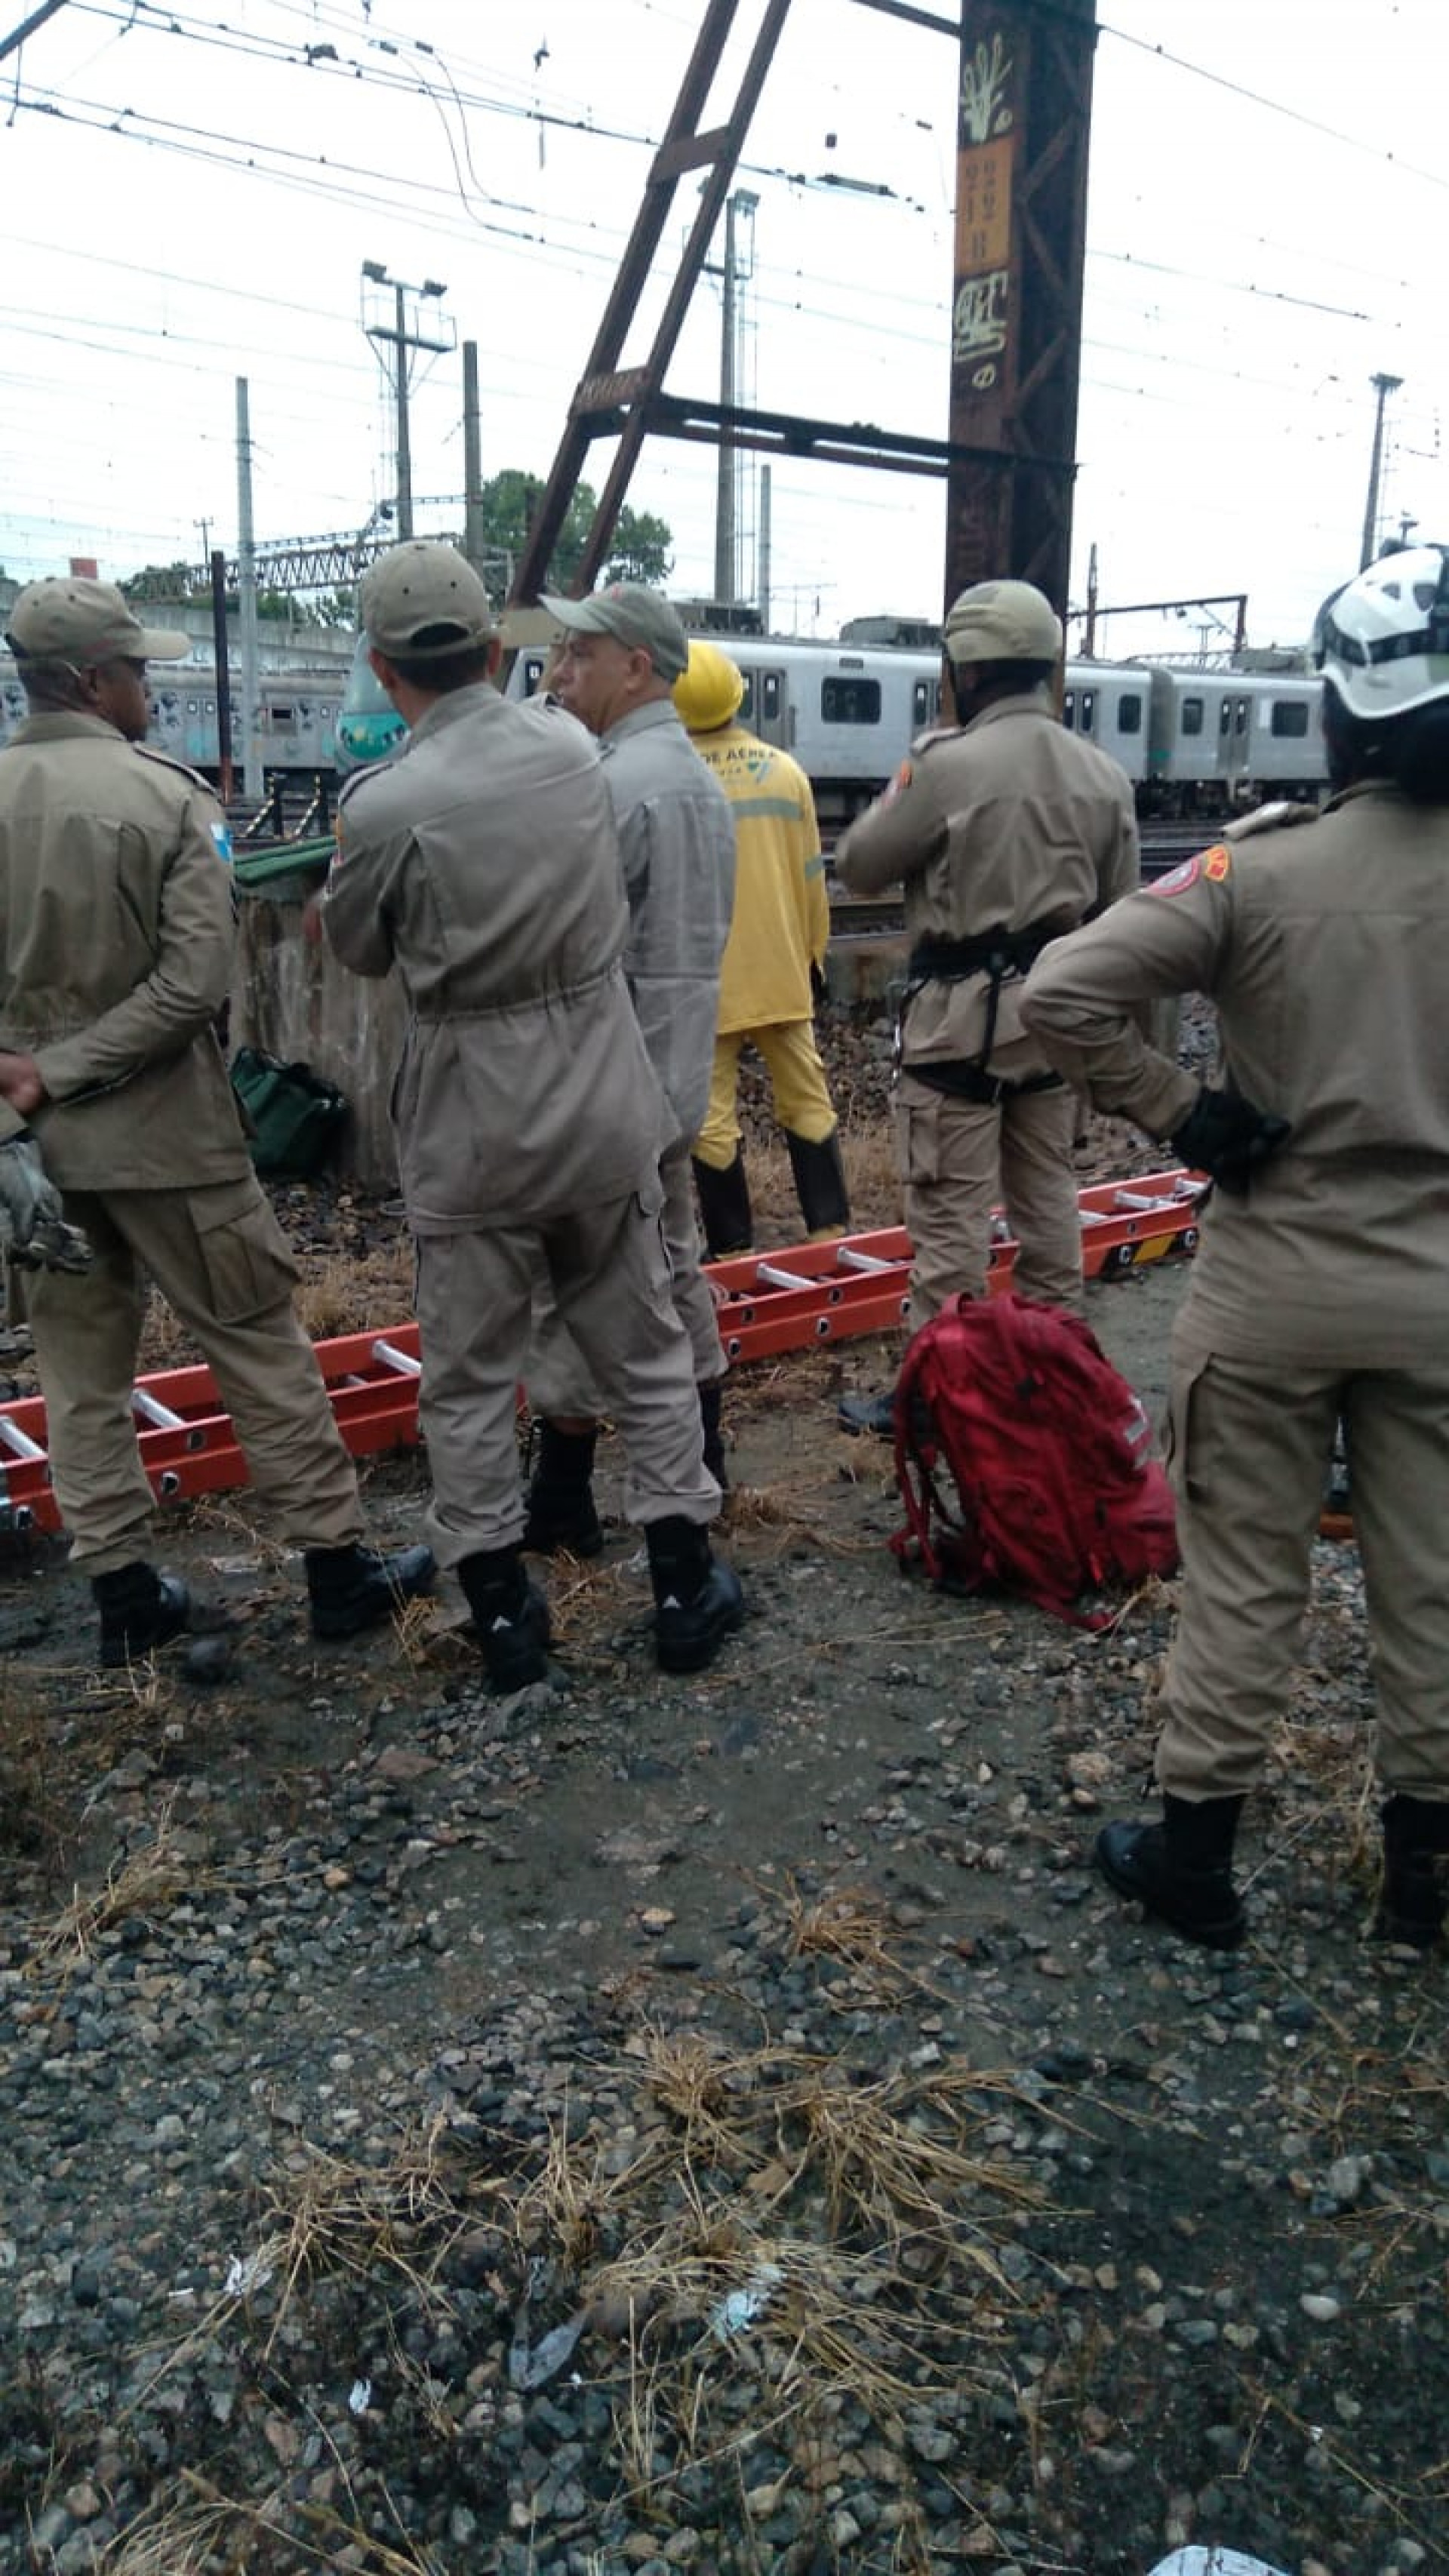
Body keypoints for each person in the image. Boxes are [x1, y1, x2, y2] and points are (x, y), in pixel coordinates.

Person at [1019, 540, 1449, 1952]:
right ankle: (1424, 1883)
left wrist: (1188, 1113)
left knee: (1246, 1572)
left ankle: (1196, 1858)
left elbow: (1063, 992)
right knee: (1435, 1574)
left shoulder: (1258, 869)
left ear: (1340, 712)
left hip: (1275, 1280)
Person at [318, 542, 742, 1690]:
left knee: (465, 1376)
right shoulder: (572, 750)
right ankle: (681, 1583)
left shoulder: (384, 805)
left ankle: (504, 1614)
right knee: (645, 1344)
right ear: (496, 650)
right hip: (601, 1093)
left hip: (474, 1118)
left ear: (382, 665)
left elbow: (358, 946)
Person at [0, 573, 434, 1669]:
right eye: (138, 669)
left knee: (78, 1379)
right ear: (94, 681)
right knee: (258, 1343)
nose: (150, 686)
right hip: (167, 1139)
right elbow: (193, 983)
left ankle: (123, 1596)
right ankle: (337, 1571)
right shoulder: (166, 799)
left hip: (34, 1158)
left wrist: (25, 1082)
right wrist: (62, 1068)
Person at [832, 579, 1140, 1436]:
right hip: (1059, 1024)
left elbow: (860, 864)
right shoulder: (1104, 774)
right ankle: (1055, 1382)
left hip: (956, 1028)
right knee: (1049, 1212)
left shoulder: (944, 764)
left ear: (962, 672)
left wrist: (912, 770)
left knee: (951, 1226)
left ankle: (941, 1401)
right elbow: (1127, 916)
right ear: (1048, 669)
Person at [523, 582, 737, 1541]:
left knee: (575, 1278)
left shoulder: (610, 787)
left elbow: (561, 943)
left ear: (636, 666)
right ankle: (710, 1453)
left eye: (581, 654)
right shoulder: (697, 781)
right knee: (675, 1260)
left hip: (608, 1080)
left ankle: (564, 1491)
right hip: (675, 1074)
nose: (563, 673)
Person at [672, 640, 851, 1256]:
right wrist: (814, 957)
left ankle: (732, 1250)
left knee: (712, 1116)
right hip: (781, 971)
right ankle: (829, 1232)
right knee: (807, 1097)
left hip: (705, 983)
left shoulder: (673, 779)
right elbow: (811, 880)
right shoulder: (783, 772)